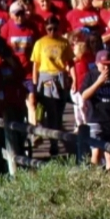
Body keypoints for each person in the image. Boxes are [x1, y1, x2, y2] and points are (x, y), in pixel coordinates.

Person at [31, 15, 72, 145]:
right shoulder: (40, 43)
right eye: (49, 29)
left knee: (59, 111)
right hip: (46, 77)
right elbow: (36, 64)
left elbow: (69, 62)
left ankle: (55, 140)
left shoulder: (64, 42)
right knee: (49, 108)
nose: (52, 32)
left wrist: (72, 79)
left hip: (60, 77)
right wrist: (35, 83)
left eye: (55, 29)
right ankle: (47, 138)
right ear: (45, 29)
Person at [80, 49, 110, 170]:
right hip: (95, 119)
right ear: (97, 63)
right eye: (104, 65)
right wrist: (99, 82)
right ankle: (94, 181)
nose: (107, 68)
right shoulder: (91, 76)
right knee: (96, 152)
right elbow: (84, 95)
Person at [1, 0, 40, 124]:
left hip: (28, 71)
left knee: (32, 102)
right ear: (11, 15)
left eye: (22, 13)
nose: (19, 17)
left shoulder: (32, 27)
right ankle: (21, 134)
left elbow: (38, 46)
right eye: (17, 14)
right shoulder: (6, 28)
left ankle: (34, 133)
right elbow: (1, 47)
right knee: (16, 106)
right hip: (12, 72)